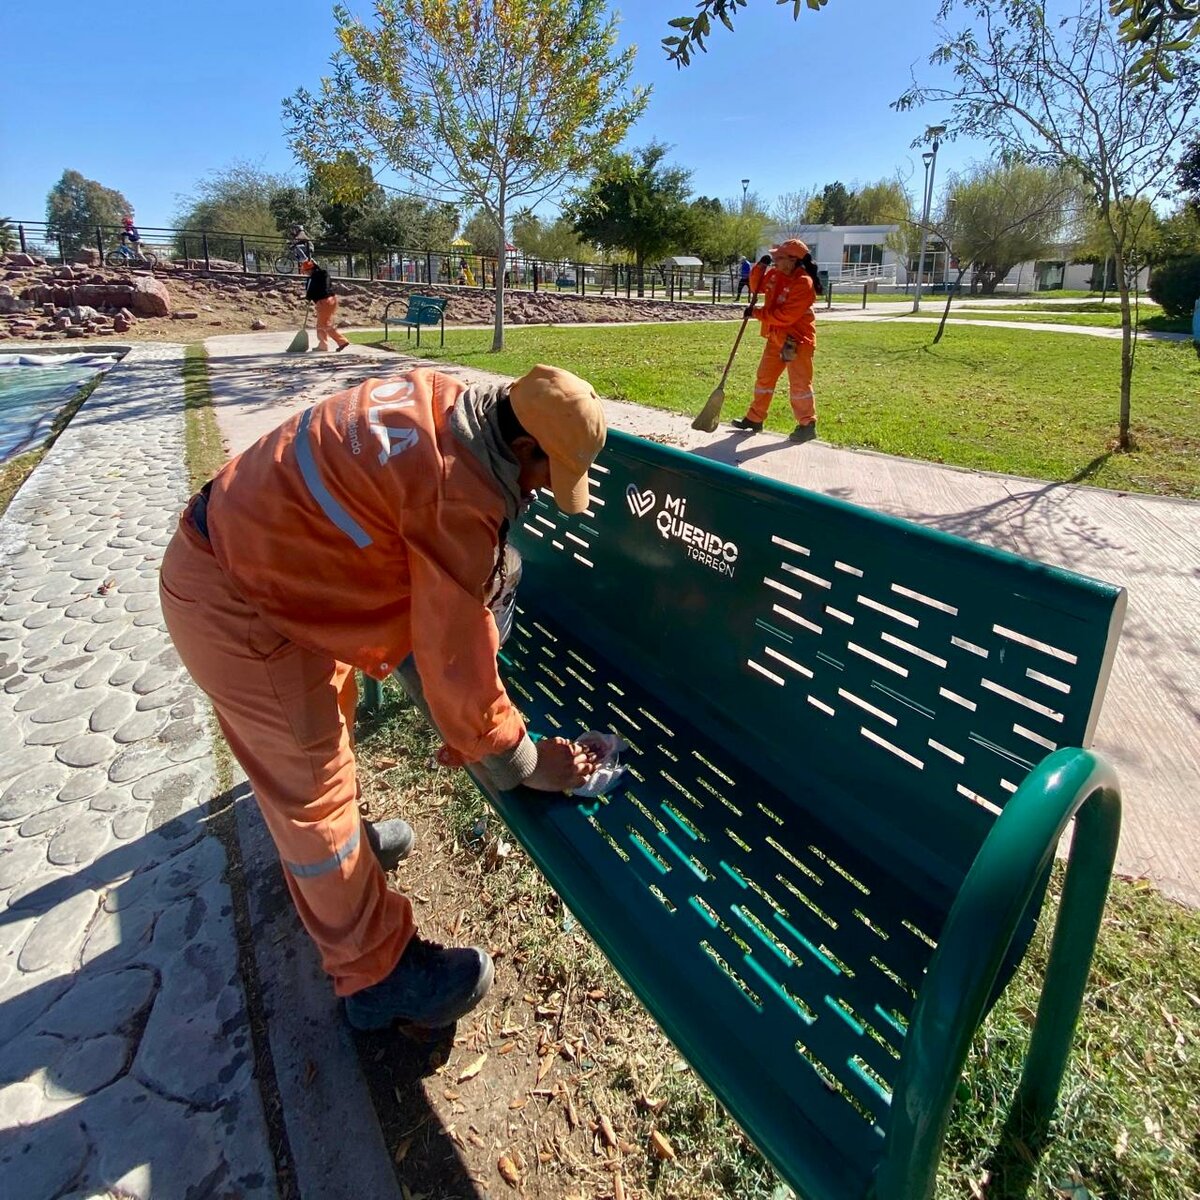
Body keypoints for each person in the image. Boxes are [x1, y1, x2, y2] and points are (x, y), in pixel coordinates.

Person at [159, 364, 606, 1031]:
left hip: (275, 566)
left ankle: (348, 876)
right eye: (547, 473)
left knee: (324, 733)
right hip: (240, 602)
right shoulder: (458, 489)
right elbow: (455, 664)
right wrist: (524, 762)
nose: (543, 491)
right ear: (521, 448)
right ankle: (376, 976)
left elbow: (439, 597)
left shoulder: (448, 399)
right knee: (314, 795)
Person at [729, 238, 823, 443]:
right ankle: (755, 418)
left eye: (778, 258)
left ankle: (807, 425)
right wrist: (758, 268)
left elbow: (785, 315)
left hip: (797, 340)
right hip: (776, 337)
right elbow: (756, 287)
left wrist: (757, 313)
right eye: (773, 257)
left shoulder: (803, 283)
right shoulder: (775, 274)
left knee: (799, 384)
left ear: (793, 260)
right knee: (764, 378)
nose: (774, 261)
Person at [300, 258, 349, 352]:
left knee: (323, 325)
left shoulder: (312, 278)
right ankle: (323, 345)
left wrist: (308, 297)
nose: (306, 273)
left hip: (323, 302)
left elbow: (310, 291)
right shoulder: (324, 274)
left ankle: (342, 341)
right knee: (322, 324)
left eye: (305, 271)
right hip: (333, 300)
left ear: (310, 270)